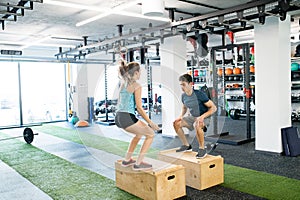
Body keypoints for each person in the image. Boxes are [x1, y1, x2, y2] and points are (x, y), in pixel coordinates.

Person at [115, 60, 160, 171]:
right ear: (136, 73)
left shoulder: (123, 83)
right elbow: (139, 108)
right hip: (127, 117)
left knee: (139, 134)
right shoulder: (137, 86)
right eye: (139, 72)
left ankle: (127, 160)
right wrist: (151, 123)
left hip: (118, 117)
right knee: (150, 134)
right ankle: (138, 163)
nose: (140, 74)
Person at [173, 73, 217, 158]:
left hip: (204, 117)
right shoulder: (183, 96)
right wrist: (180, 116)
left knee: (197, 124)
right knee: (176, 123)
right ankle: (186, 145)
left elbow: (213, 108)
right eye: (180, 85)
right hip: (193, 117)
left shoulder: (199, 94)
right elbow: (184, 108)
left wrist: (202, 117)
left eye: (183, 85)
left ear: (190, 84)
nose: (182, 87)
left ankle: (202, 149)